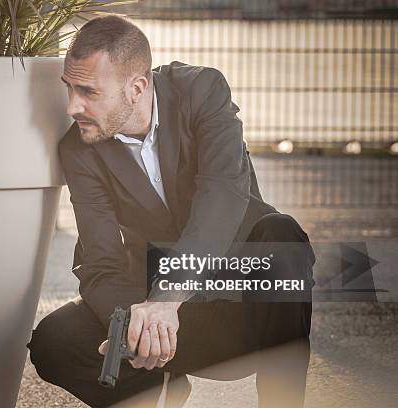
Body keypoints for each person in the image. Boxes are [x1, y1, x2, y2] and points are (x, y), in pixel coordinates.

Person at [26, 15, 315, 408]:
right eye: (69, 87)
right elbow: (101, 263)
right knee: (53, 341)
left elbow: (223, 197)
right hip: (158, 321)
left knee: (282, 237)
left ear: (137, 87)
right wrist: (136, 323)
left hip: (238, 309)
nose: (73, 105)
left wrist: (168, 296)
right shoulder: (78, 149)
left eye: (88, 91)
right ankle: (152, 393)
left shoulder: (202, 90)